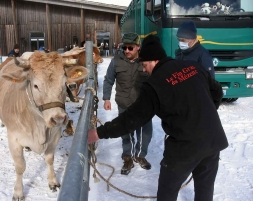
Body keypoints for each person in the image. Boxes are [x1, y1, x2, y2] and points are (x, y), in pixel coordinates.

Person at [89, 35, 228, 201]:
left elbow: (132, 119)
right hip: (213, 139)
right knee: (205, 192)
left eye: (144, 65)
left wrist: (99, 133)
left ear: (154, 61)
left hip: (184, 147)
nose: (144, 70)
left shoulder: (155, 84)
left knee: (167, 192)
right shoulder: (193, 67)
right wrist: (205, 114)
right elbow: (217, 91)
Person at [102, 33, 153, 175]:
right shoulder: (116, 61)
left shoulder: (146, 61)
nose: (127, 51)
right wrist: (106, 98)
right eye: (125, 47)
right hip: (124, 102)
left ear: (138, 47)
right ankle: (128, 157)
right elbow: (108, 80)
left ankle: (140, 155)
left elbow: (155, 79)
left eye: (130, 47)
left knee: (145, 133)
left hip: (143, 104)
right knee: (126, 132)